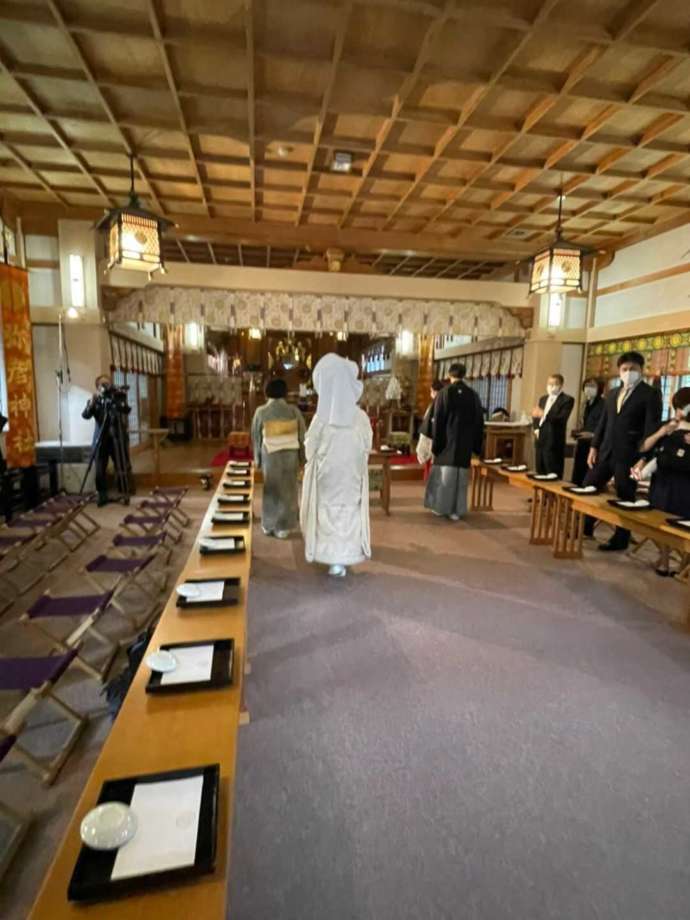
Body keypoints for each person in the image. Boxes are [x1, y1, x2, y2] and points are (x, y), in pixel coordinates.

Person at [300, 353, 372, 577]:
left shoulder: (321, 418)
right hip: (350, 475)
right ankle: (345, 557)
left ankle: (332, 558)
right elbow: (367, 445)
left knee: (327, 512)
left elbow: (310, 448)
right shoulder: (360, 417)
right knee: (349, 511)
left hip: (327, 476)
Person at [584, 351, 662, 551]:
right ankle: (585, 526)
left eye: (633, 369)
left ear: (641, 370)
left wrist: (644, 457)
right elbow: (603, 423)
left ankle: (621, 539)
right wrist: (594, 446)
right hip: (606, 451)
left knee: (625, 496)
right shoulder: (612, 393)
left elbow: (651, 428)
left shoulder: (649, 394)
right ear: (619, 371)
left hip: (630, 455)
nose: (628, 373)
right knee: (589, 486)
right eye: (624, 369)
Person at [631, 386, 690, 575]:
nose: (682, 412)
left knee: (683, 524)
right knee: (660, 522)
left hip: (685, 483)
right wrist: (662, 433)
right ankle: (664, 562)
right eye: (681, 407)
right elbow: (645, 448)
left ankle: (683, 567)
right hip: (663, 480)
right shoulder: (667, 426)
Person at [424, 363, 484, 520]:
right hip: (464, 443)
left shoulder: (444, 393)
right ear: (463, 375)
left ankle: (441, 508)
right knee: (461, 478)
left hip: (446, 443)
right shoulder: (473, 395)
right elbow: (479, 421)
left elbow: (437, 420)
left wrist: (436, 443)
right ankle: (457, 511)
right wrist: (476, 445)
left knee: (445, 477)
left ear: (449, 375)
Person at [251, 378, 305, 539]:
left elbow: (256, 436)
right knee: (288, 489)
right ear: (285, 393)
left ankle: (269, 524)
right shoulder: (293, 411)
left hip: (270, 455)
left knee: (271, 489)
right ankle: (284, 526)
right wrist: (303, 457)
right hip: (290, 454)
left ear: (267, 392)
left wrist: (257, 458)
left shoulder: (261, 411)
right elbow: (302, 435)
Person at [82, 374, 131, 506]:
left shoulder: (115, 399)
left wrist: (121, 399)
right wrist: (92, 402)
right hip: (100, 439)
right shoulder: (95, 400)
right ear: (98, 387)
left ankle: (125, 490)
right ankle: (102, 494)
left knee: (122, 464)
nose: (106, 386)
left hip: (117, 437)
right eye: (103, 384)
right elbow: (85, 415)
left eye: (108, 384)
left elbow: (127, 410)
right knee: (99, 469)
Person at [531, 373, 574, 478]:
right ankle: (540, 494)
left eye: (554, 384)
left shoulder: (567, 400)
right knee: (539, 471)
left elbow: (561, 419)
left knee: (552, 472)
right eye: (549, 384)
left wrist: (544, 414)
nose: (551, 386)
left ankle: (551, 495)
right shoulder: (543, 399)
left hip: (554, 440)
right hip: (541, 439)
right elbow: (536, 415)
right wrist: (536, 428)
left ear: (561, 385)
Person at [571, 377, 605, 486]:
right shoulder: (585, 404)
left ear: (599, 388)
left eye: (592, 386)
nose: (588, 389)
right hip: (582, 443)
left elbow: (603, 426)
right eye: (587, 386)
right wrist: (578, 432)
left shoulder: (604, 404)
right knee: (577, 475)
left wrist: (592, 434)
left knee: (589, 477)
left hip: (595, 445)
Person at [416, 379, 444, 477]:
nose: (430, 394)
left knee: (431, 464)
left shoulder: (434, 405)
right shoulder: (447, 404)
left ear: (435, 391)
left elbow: (427, 424)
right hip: (443, 440)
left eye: (431, 391)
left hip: (432, 437)